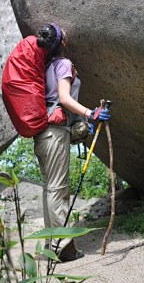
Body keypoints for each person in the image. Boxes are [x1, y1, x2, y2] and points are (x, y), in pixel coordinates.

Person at [33, 22, 110, 262]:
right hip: (55, 133)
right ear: (62, 43)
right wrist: (90, 114)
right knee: (58, 189)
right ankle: (63, 247)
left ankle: (51, 243)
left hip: (43, 134)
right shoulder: (63, 64)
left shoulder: (45, 66)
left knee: (50, 188)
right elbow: (64, 99)